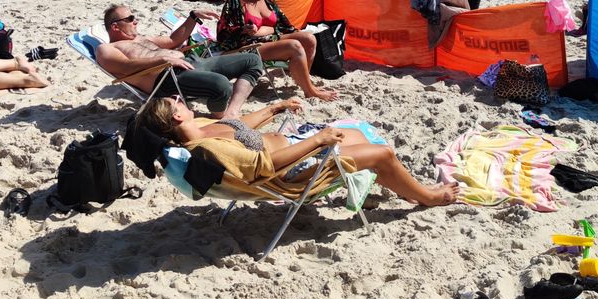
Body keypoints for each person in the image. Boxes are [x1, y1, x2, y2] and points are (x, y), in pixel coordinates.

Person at [139, 96, 460, 206]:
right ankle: (429, 197)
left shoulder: (205, 126)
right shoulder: (206, 148)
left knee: (355, 133)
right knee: (382, 153)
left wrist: (275, 108)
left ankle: (404, 185)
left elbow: (241, 125)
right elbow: (263, 167)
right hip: (292, 172)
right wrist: (317, 141)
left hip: (296, 148)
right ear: (178, 116)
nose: (181, 101)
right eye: (176, 102)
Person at [96, 3, 262, 118]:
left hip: (190, 62)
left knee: (253, 60)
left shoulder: (140, 38)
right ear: (115, 26)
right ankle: (218, 116)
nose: (136, 21)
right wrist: (163, 59)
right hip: (168, 78)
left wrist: (193, 17)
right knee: (222, 85)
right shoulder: (106, 49)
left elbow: (173, 40)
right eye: (130, 18)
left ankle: (231, 112)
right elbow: (126, 67)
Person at [217, 0, 335, 101]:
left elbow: (280, 23)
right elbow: (224, 35)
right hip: (246, 47)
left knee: (308, 39)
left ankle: (304, 80)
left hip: (267, 39)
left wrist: (265, 30)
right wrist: (245, 30)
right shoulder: (236, 1)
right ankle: (309, 91)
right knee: (294, 46)